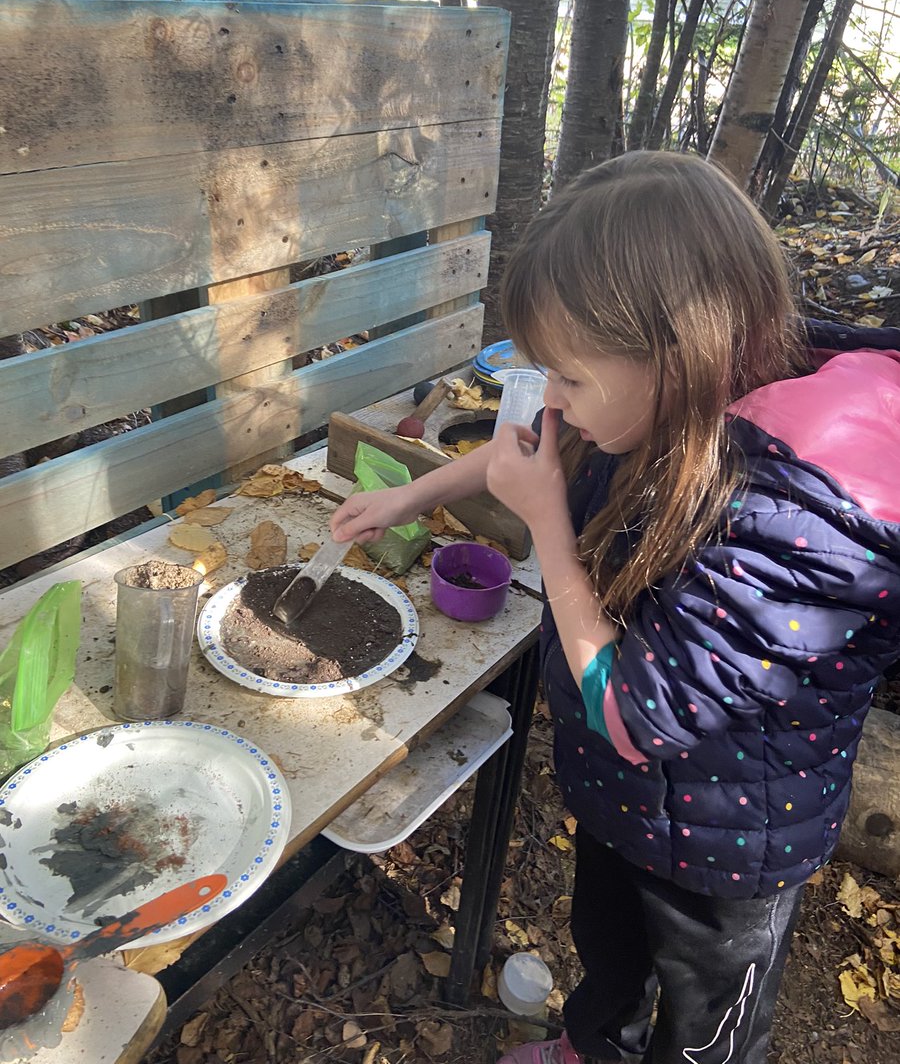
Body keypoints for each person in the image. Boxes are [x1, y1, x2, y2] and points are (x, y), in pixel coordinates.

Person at [330, 151, 900, 1064]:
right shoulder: (664, 396)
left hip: (727, 847)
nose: (549, 399)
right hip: (627, 799)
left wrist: (549, 527)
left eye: (567, 377)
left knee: (704, 1029)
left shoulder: (791, 519)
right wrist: (411, 493)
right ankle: (594, 1048)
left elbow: (641, 715)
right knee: (609, 951)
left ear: (674, 351)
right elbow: (534, 443)